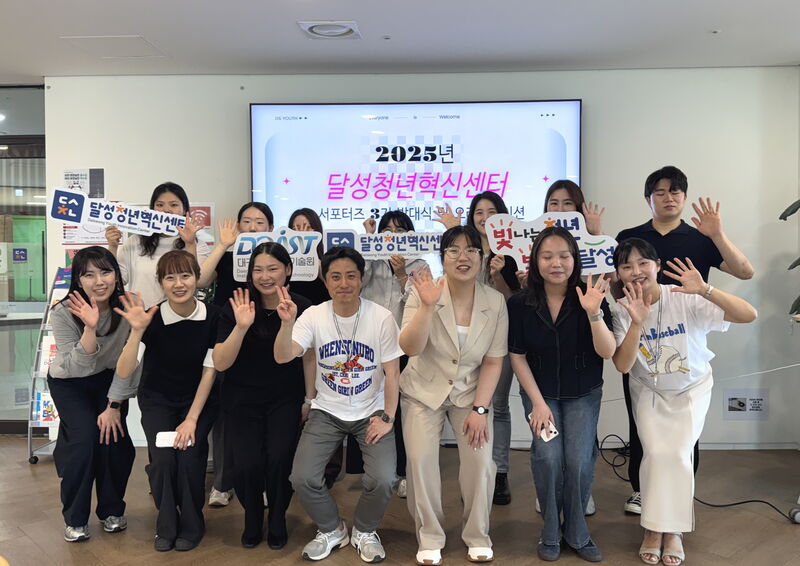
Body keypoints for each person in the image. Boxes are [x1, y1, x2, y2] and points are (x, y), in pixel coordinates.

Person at [615, 165, 755, 515]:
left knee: (685, 433)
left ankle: (682, 489)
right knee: (641, 425)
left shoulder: (700, 238)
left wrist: (717, 234)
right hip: (641, 336)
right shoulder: (629, 237)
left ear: (685, 196)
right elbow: (614, 282)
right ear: (648, 198)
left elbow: (745, 272)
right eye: (659, 192)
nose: (668, 197)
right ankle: (641, 490)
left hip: (685, 332)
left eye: (675, 191)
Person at [611, 238, 756, 565]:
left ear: (658, 266)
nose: (636, 271)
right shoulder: (620, 309)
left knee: (677, 455)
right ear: (618, 274)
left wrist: (706, 290)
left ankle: (673, 530)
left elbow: (749, 314)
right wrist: (636, 322)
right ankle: (653, 527)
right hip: (648, 390)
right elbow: (622, 364)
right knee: (654, 454)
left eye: (643, 263)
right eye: (626, 266)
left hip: (692, 388)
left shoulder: (684, 297)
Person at [275, 246, 402, 563]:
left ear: (361, 279)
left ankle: (365, 531)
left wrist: (387, 416)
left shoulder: (381, 317)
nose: (343, 283)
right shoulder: (313, 316)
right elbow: (283, 356)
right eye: (335, 277)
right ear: (325, 280)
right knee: (302, 478)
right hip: (327, 411)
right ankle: (332, 529)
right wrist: (287, 324)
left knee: (384, 479)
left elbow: (392, 373)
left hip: (371, 411)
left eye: (350, 276)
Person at [399, 225, 508, 565]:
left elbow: (493, 361)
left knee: (480, 463)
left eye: (472, 250)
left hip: (470, 394)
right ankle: (430, 535)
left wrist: (480, 409)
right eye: (454, 250)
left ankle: (477, 534)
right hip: (423, 391)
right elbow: (410, 347)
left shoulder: (495, 301)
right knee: (420, 462)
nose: (464, 257)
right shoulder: (423, 291)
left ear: (482, 256)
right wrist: (427, 307)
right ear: (442, 257)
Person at [508, 227, 614, 562]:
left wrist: (594, 312)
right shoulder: (520, 303)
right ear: (535, 260)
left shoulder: (592, 295)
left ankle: (578, 532)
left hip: (583, 392)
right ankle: (551, 529)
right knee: (548, 458)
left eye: (564, 256)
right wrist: (537, 404)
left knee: (579, 461)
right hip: (540, 393)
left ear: (574, 259)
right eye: (547, 256)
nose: (556, 263)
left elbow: (608, 351)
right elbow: (517, 355)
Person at [115, 250, 220, 552]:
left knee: (189, 459)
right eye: (170, 277)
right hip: (157, 399)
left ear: (197, 278)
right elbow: (124, 370)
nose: (178, 283)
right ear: (160, 282)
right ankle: (166, 523)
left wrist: (191, 419)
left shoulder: (214, 316)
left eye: (185, 275)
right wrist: (136, 332)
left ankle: (192, 524)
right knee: (162, 461)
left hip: (198, 400)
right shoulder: (150, 316)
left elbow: (210, 370)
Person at [212, 242, 314, 550]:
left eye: (273, 269)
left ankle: (278, 515)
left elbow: (309, 358)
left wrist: (309, 398)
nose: (265, 276)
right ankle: (253, 515)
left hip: (285, 396)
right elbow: (220, 362)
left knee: (280, 458)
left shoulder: (302, 306)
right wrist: (241, 326)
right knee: (246, 463)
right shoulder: (237, 305)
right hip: (241, 397)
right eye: (258, 270)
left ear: (288, 270)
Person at [47, 246, 136, 543]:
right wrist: (89, 327)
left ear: (117, 275)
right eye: (89, 275)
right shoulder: (63, 312)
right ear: (78, 280)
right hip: (69, 382)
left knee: (114, 440)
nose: (99, 281)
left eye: (106, 272)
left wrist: (114, 406)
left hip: (110, 379)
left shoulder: (128, 307)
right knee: (84, 441)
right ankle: (75, 518)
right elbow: (76, 366)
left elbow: (130, 361)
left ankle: (111, 510)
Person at [434, 193, 519, 505]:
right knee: (467, 409)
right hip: (462, 344)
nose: (485, 217)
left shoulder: (512, 252)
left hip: (497, 339)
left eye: (492, 211)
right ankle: (473, 476)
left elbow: (514, 303)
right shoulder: (462, 248)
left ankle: (499, 472)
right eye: (479, 212)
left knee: (497, 405)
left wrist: (498, 276)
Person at [196, 201, 274, 508]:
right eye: (247, 221)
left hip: (266, 336)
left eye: (260, 222)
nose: (253, 227)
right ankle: (222, 483)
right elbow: (201, 280)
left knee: (266, 414)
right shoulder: (227, 255)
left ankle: (263, 482)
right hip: (229, 333)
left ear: (270, 228)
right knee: (226, 412)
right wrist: (223, 245)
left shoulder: (277, 258)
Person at [349, 210, 426, 497]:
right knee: (369, 405)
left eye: (401, 230)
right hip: (370, 343)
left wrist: (402, 273)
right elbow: (357, 282)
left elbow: (422, 301)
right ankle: (373, 470)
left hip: (404, 345)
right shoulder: (370, 258)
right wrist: (369, 240)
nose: (393, 235)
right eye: (388, 230)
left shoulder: (420, 263)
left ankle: (403, 472)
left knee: (403, 409)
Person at [542, 179, 607, 516]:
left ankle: (580, 491)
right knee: (549, 448)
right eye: (554, 203)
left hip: (584, 344)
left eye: (568, 203)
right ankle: (551, 492)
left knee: (581, 441)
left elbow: (608, 282)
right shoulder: (533, 242)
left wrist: (595, 235)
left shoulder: (593, 241)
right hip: (545, 356)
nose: (560, 209)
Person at [105, 182, 209, 308]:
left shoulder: (198, 245)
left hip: (179, 315)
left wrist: (190, 243)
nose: (166, 210)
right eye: (160, 205)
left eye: (174, 205)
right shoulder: (135, 241)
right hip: (141, 315)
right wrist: (113, 246)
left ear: (184, 210)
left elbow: (199, 281)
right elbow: (117, 279)